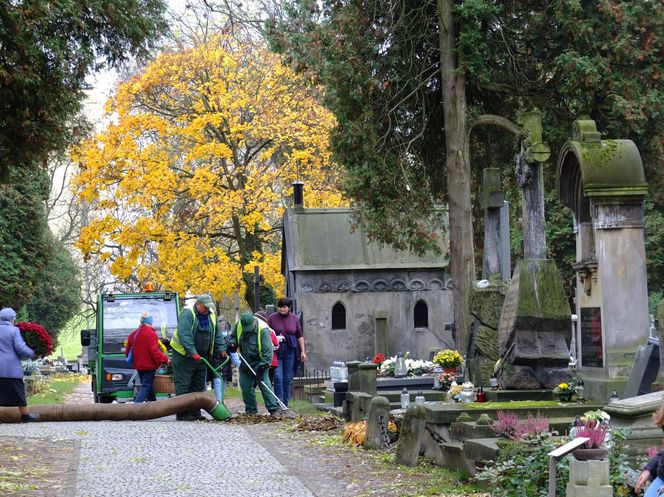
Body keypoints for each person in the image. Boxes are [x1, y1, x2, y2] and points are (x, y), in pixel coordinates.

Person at [170, 294, 226, 421]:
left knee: (199, 384)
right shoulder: (188, 313)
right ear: (198, 304)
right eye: (204, 307)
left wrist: (222, 349)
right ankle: (182, 413)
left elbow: (217, 334)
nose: (207, 309)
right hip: (184, 354)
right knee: (184, 384)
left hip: (202, 356)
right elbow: (184, 335)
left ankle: (195, 412)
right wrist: (192, 352)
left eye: (208, 307)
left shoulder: (211, 315)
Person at [229, 311, 286, 417]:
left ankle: (273, 409)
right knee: (245, 386)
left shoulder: (263, 330)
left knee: (265, 385)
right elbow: (233, 337)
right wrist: (232, 344)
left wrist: (263, 366)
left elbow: (268, 351)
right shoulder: (239, 325)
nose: (247, 330)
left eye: (249, 327)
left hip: (260, 361)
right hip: (246, 361)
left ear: (254, 321)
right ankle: (251, 411)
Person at [0, 308, 40, 422]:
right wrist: (32, 353)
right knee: (18, 392)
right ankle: (25, 416)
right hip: (10, 368)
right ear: (12, 319)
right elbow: (20, 348)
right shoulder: (14, 331)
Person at [268, 297, 306, 407]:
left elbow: (300, 336)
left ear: (289, 308)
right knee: (278, 376)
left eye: (284, 307)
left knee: (288, 378)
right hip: (277, 351)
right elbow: (267, 333)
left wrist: (303, 351)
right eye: (280, 307)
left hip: (290, 350)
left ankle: (285, 403)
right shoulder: (272, 318)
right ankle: (279, 402)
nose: (282, 309)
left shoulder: (294, 318)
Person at [125, 313, 170, 403]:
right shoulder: (151, 333)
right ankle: (136, 408)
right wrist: (165, 359)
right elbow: (154, 351)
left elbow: (128, 351)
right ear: (150, 321)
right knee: (146, 386)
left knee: (148, 386)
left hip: (138, 365)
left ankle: (154, 405)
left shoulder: (133, 333)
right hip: (149, 366)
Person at [255, 310, 279, 384]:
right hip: (261, 360)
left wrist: (267, 347)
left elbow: (276, 344)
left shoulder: (269, 331)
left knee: (267, 380)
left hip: (269, 361)